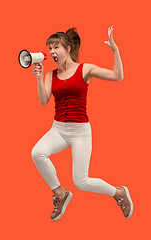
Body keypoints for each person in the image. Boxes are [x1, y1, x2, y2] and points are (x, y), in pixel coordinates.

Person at [31, 25, 133, 221]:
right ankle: (60, 193)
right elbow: (43, 100)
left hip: (80, 131)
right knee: (37, 152)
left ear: (68, 49)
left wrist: (115, 49)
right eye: (50, 48)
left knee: (81, 182)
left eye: (56, 47)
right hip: (58, 129)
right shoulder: (50, 75)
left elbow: (117, 75)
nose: (52, 52)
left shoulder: (84, 69)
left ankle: (118, 192)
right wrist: (37, 77)